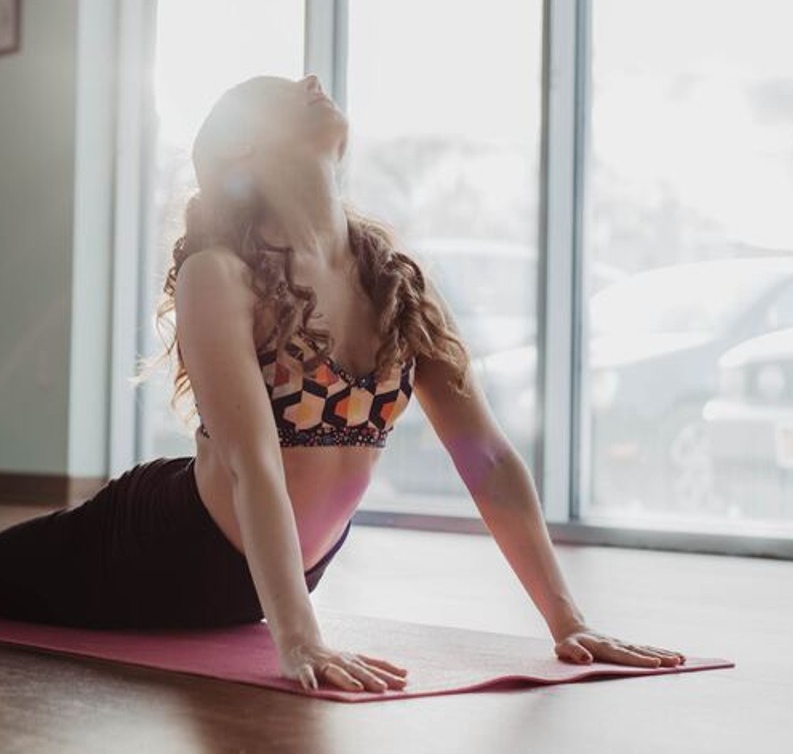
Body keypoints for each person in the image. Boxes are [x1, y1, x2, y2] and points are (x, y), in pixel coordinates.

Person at [0, 73, 685, 695]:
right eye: (276, 90)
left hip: (270, 583)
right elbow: (250, 462)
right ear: (240, 146)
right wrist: (300, 637)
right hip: (159, 549)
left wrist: (569, 622)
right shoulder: (221, 275)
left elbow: (489, 457)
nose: (310, 79)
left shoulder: (397, 284)